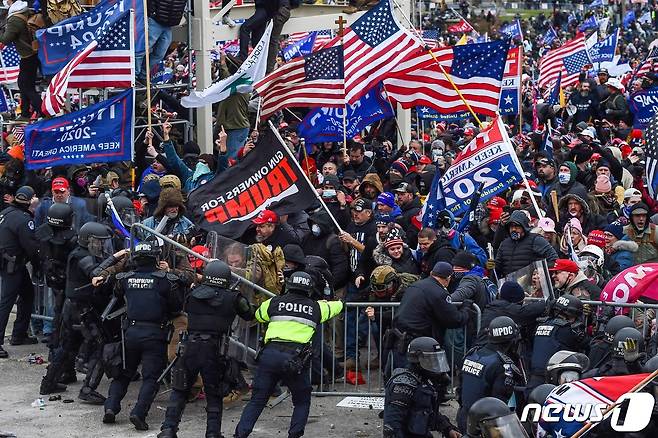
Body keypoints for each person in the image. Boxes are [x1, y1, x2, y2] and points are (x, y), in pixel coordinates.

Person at [234, 271, 343, 438]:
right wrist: (339, 301)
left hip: (269, 356)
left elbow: (257, 315)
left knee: (257, 400)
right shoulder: (316, 307)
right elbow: (338, 306)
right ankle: (294, 434)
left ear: (289, 285)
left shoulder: (274, 302)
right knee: (301, 401)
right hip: (295, 360)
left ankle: (240, 434)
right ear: (310, 289)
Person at [158, 261, 254, 438]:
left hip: (189, 348)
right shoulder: (234, 297)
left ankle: (168, 429)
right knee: (214, 393)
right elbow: (249, 314)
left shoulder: (193, 294)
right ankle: (212, 433)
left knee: (180, 390)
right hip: (214, 350)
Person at [103, 241, 185, 431]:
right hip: (155, 333)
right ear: (155, 258)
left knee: (123, 374)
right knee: (150, 377)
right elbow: (176, 308)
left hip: (130, 332)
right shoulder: (166, 280)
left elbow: (116, 293)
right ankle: (139, 413)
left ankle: (111, 407)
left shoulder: (124, 278)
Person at [39, 222, 115, 402]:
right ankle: (88, 389)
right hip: (83, 310)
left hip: (72, 307)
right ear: (88, 240)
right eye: (98, 242)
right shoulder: (82, 256)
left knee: (66, 346)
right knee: (102, 345)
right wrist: (116, 258)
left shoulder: (80, 253)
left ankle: (49, 383)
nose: (102, 246)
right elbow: (95, 272)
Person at [390, 262, 470, 372]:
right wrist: (466, 308)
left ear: (432, 273)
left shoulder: (415, 285)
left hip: (399, 339)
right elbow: (455, 319)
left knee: (399, 377)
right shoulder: (439, 293)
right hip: (420, 345)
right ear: (448, 278)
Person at [382, 337, 460, 438]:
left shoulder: (424, 380)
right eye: (431, 360)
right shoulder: (403, 385)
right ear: (418, 360)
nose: (435, 364)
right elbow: (392, 426)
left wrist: (448, 429)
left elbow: (427, 412)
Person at [457, 317, 525, 433]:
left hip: (464, 417)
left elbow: (460, 390)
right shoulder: (501, 365)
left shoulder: (471, 354)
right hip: (485, 425)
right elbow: (499, 406)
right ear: (510, 341)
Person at [0, 186, 39, 359]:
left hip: (10, 262)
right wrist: (40, 265)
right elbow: (32, 248)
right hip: (12, 265)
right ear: (30, 200)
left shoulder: (7, 212)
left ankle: (19, 334)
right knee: (6, 303)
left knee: (28, 294)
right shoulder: (23, 220)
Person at [34, 203, 78, 347]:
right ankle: (58, 341)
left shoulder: (43, 233)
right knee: (62, 311)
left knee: (59, 308)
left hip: (51, 276)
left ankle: (57, 338)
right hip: (63, 278)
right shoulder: (70, 239)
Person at [528, 294, 589, 388]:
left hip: (534, 379)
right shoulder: (564, 329)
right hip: (554, 380)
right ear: (568, 316)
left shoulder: (540, 324)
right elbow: (585, 344)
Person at [0, 0, 43, 119]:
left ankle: (42, 111)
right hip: (32, 54)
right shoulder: (25, 11)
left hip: (28, 56)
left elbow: (5, 39)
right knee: (24, 84)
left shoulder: (14, 19)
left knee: (26, 86)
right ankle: (25, 113)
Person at [495, 210, 558, 277]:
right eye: (511, 226)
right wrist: (492, 266)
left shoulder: (536, 240)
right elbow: (498, 267)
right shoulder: (504, 244)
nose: (513, 229)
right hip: (511, 284)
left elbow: (554, 260)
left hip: (531, 285)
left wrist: (539, 271)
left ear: (524, 227)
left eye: (517, 226)